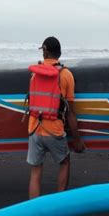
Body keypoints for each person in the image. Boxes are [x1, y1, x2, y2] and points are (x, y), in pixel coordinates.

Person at [27, 36, 84, 201]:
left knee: (36, 172)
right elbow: (70, 113)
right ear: (59, 53)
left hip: (34, 128)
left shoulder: (34, 74)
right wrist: (77, 140)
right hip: (54, 130)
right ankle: (59, 207)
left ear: (45, 51)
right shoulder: (65, 75)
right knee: (64, 162)